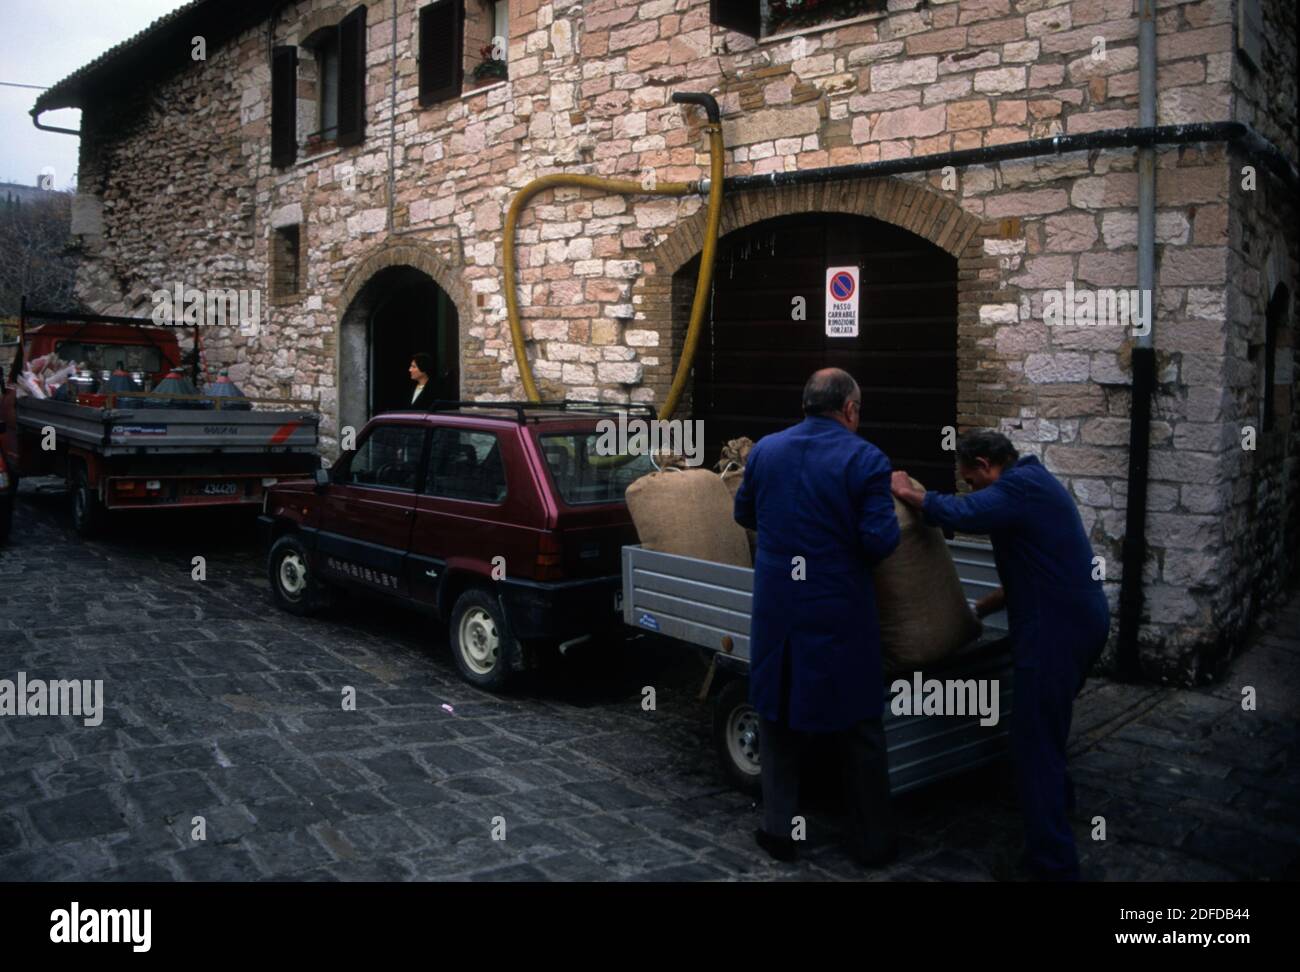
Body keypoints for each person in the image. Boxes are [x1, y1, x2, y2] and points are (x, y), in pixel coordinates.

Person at [890, 431, 1109, 881]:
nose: (971, 487)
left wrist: (908, 492)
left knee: (1031, 743)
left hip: (1056, 632)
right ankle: (1058, 803)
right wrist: (980, 607)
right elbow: (1030, 573)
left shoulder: (1018, 488)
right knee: (1049, 725)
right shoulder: (1035, 482)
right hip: (1081, 621)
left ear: (988, 464)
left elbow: (961, 513)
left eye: (971, 478)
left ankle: (1052, 865)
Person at [733, 368, 901, 867]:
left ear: (806, 403)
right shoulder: (866, 458)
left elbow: (744, 514)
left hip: (778, 608)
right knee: (859, 726)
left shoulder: (764, 450)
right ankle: (872, 843)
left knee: (777, 714)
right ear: (849, 409)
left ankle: (779, 831)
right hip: (838, 609)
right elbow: (879, 541)